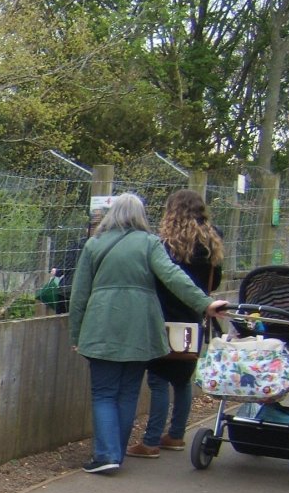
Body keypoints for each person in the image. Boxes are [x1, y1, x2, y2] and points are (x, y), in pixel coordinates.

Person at [67, 192, 227, 474]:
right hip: (141, 328)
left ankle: (105, 455)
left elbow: (79, 295)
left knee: (104, 393)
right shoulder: (151, 243)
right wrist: (205, 304)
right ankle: (117, 453)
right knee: (128, 392)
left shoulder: (94, 245)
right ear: (141, 215)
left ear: (112, 214)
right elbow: (175, 277)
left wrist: (77, 336)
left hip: (101, 323)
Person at [126, 190, 225, 459]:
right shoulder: (212, 239)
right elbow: (213, 283)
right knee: (182, 379)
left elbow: (157, 278)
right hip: (194, 316)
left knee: (158, 379)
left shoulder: (165, 242)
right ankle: (176, 435)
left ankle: (150, 441)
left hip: (163, 315)